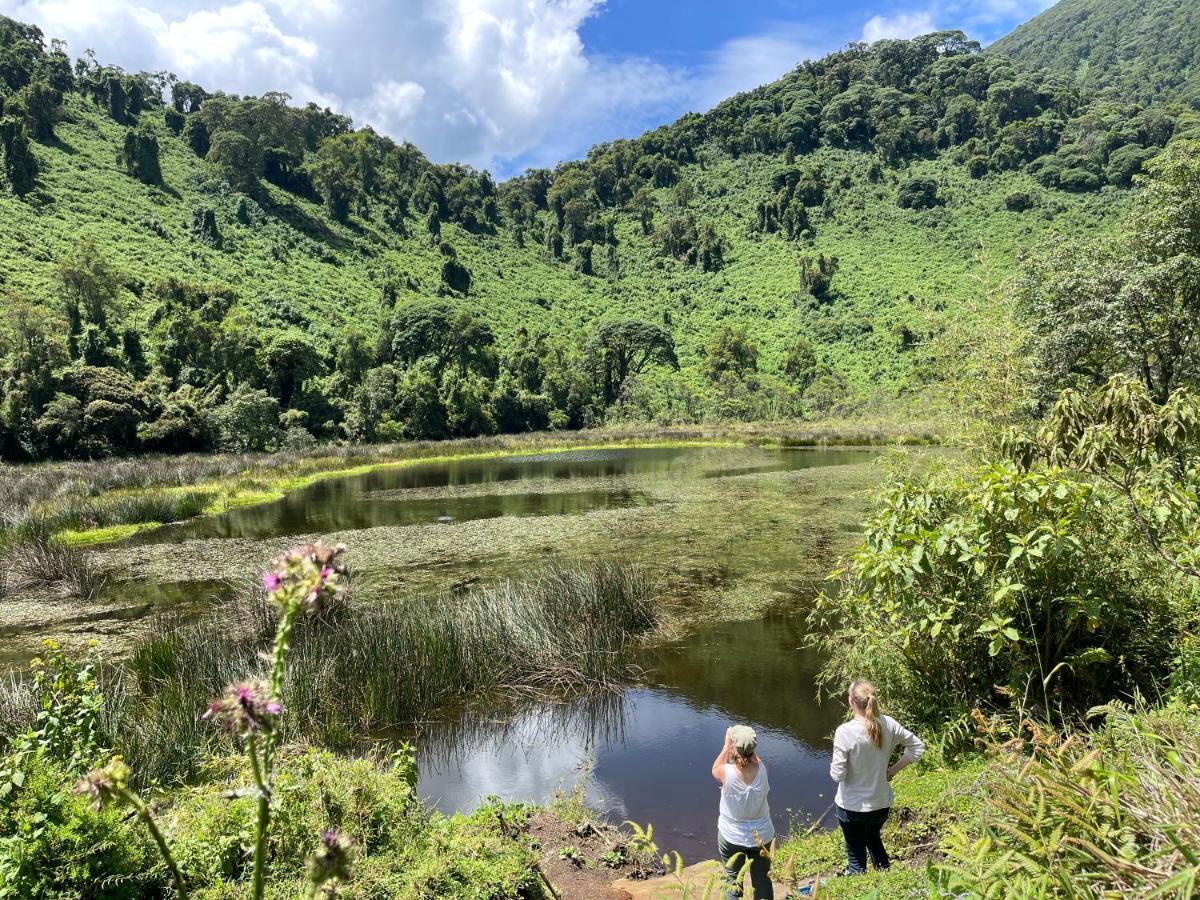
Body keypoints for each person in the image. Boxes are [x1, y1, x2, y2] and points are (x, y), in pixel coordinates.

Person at [829, 679, 925, 875]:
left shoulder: (845, 732)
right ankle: (884, 877)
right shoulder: (888, 723)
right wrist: (892, 770)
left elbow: (838, 775)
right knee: (873, 838)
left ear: (851, 701)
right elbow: (917, 747)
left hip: (851, 808)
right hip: (880, 804)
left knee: (855, 856)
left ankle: (858, 882)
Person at [712, 725, 775, 899]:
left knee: (733, 881)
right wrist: (749, 750)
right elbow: (756, 762)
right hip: (761, 837)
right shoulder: (764, 770)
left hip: (731, 836)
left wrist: (726, 746)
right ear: (754, 749)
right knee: (762, 881)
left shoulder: (726, 772)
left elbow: (714, 768)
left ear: (733, 746)